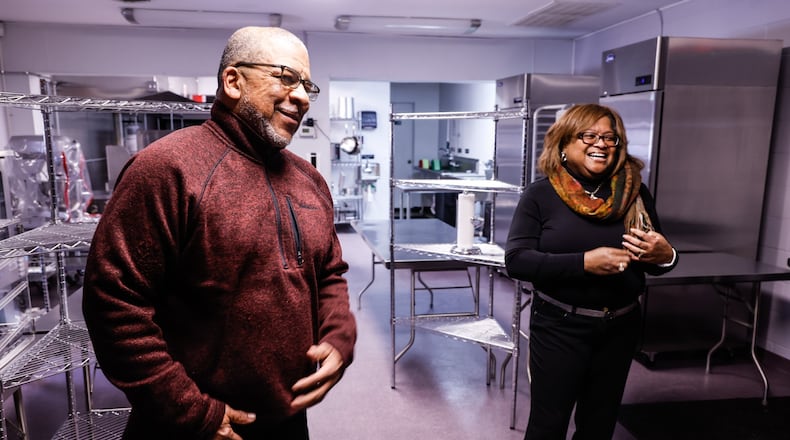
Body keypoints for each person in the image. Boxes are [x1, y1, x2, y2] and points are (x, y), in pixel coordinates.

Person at [82, 26, 357, 439]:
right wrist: (195, 414)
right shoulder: (168, 169)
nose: (301, 96)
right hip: (188, 427)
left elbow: (328, 273)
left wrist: (339, 334)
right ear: (233, 81)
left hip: (286, 421)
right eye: (285, 77)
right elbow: (114, 305)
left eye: (307, 85)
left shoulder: (309, 181)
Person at [505, 103, 677, 439]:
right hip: (559, 326)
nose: (600, 144)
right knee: (548, 423)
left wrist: (666, 254)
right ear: (564, 144)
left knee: (599, 423)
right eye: (588, 135)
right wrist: (584, 262)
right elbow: (517, 260)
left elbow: (656, 263)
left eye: (609, 138)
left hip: (621, 326)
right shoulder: (542, 194)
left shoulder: (635, 193)